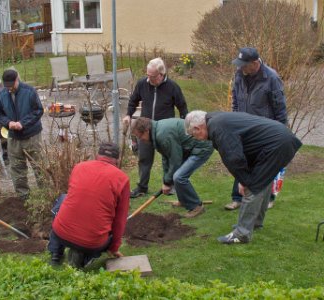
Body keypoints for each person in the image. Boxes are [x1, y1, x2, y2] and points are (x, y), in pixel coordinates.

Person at [185, 111, 302, 244]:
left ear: (197, 128)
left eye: (193, 135)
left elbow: (233, 158)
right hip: (279, 141)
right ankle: (255, 223)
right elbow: (246, 148)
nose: (196, 138)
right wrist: (243, 178)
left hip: (276, 144)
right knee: (263, 182)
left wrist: (244, 180)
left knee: (253, 187)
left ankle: (242, 234)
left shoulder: (217, 127)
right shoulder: (217, 120)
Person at [48, 142, 130, 268]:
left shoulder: (79, 167)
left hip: (60, 233)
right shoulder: (122, 179)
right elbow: (120, 220)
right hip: (92, 243)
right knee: (110, 225)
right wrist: (114, 247)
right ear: (117, 161)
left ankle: (56, 254)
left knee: (64, 199)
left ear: (97, 156)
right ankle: (85, 258)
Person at [225, 47, 288, 211]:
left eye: (244, 65)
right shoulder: (240, 74)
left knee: (265, 163)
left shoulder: (271, 78)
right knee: (240, 159)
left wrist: (280, 131)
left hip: (264, 129)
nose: (240, 68)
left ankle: (268, 197)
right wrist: (235, 119)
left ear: (255, 63)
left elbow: (280, 107)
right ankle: (237, 198)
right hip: (243, 126)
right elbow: (236, 99)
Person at [122, 57, 188, 198]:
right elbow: (133, 100)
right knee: (144, 158)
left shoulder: (172, 87)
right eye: (147, 75)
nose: (149, 78)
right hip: (145, 129)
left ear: (161, 74)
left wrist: (185, 125)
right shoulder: (142, 84)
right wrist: (128, 114)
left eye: (152, 76)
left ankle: (171, 186)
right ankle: (142, 187)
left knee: (170, 159)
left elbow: (182, 107)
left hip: (165, 131)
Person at [131, 117, 213, 218]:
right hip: (188, 148)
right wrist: (166, 180)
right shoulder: (156, 131)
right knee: (177, 175)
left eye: (140, 136)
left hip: (201, 147)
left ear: (146, 130)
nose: (141, 140)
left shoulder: (162, 135)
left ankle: (196, 206)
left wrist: (167, 182)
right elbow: (166, 157)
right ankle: (184, 200)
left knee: (179, 176)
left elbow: (175, 160)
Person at [0, 69, 44, 200]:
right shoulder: (2, 94)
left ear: (17, 80)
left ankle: (46, 194)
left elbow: (38, 110)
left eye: (12, 85)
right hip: (14, 137)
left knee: (39, 166)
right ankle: (23, 198)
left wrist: (23, 123)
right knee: (17, 168)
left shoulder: (29, 91)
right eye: (7, 86)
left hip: (32, 135)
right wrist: (8, 122)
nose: (9, 88)